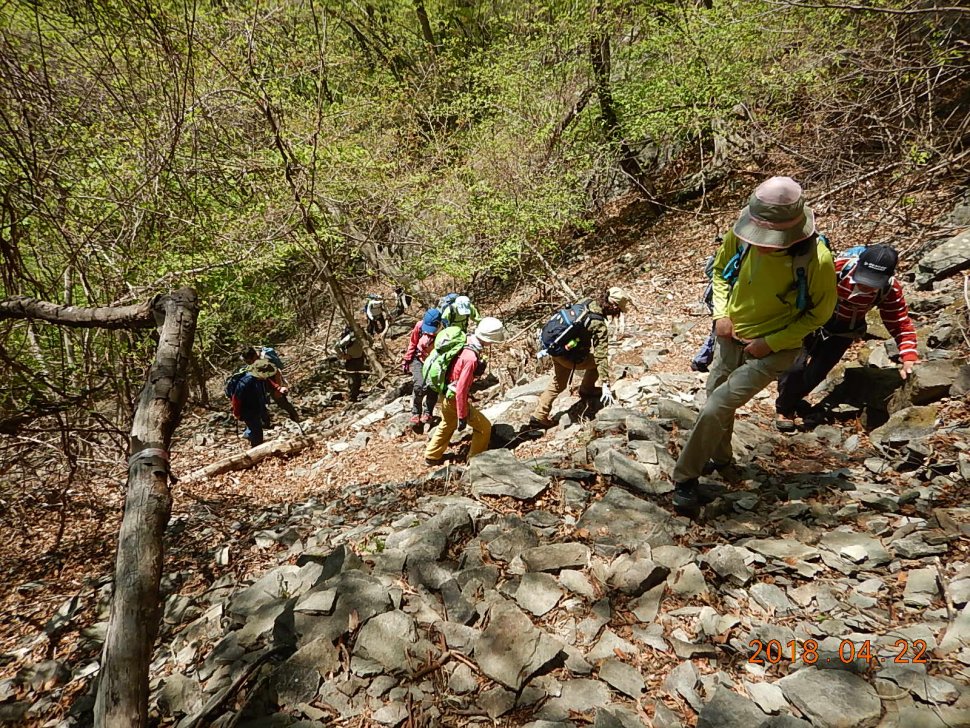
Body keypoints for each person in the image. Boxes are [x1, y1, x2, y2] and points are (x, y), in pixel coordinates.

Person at [672, 176, 837, 519]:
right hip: (730, 335)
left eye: (771, 239)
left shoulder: (816, 260)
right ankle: (723, 460)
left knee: (717, 403)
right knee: (716, 400)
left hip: (775, 349)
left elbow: (820, 314)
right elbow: (719, 271)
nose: (760, 244)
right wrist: (721, 315)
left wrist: (770, 343)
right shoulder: (741, 233)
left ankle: (685, 480)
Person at [774, 243, 918, 431]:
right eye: (864, 278)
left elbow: (899, 323)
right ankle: (784, 407)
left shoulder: (890, 290)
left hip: (843, 332)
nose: (866, 285)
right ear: (858, 265)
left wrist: (908, 357)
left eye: (873, 282)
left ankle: (789, 402)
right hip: (810, 321)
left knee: (816, 373)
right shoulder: (837, 269)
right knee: (793, 366)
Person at [529, 287, 633, 428]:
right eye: (619, 310)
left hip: (555, 349)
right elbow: (600, 356)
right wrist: (605, 383)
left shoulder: (586, 301)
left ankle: (539, 415)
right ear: (613, 306)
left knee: (559, 383)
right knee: (597, 363)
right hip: (568, 355)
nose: (618, 313)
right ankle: (587, 389)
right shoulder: (598, 324)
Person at [425, 317, 507, 465]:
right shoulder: (471, 358)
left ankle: (432, 455)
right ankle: (475, 461)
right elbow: (461, 389)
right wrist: (462, 415)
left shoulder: (465, 339)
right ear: (489, 339)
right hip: (453, 398)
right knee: (484, 428)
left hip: (444, 393)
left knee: (448, 423)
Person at [402, 308, 442, 429]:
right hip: (418, 359)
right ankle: (415, 412)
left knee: (432, 387)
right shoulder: (419, 326)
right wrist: (407, 359)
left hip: (434, 362)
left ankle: (428, 412)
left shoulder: (444, 330)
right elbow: (413, 343)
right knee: (419, 385)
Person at [240, 347, 301, 423]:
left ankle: (294, 416)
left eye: (250, 360)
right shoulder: (251, 358)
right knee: (259, 401)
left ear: (255, 356)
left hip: (273, 380)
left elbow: (277, 373)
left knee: (280, 400)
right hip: (261, 381)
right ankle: (266, 422)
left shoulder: (266, 358)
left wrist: (278, 388)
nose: (249, 362)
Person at [231, 360, 278, 447]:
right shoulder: (245, 382)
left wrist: (278, 387)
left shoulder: (260, 378)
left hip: (256, 405)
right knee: (257, 432)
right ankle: (256, 451)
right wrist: (236, 413)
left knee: (256, 428)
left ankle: (250, 437)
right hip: (247, 410)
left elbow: (268, 381)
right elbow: (236, 398)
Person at [335, 325, 366, 402]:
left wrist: (366, 350)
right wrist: (343, 355)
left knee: (358, 377)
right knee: (352, 378)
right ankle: (352, 396)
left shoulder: (363, 334)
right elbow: (336, 346)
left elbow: (371, 341)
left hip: (360, 358)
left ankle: (355, 393)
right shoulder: (349, 337)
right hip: (351, 360)